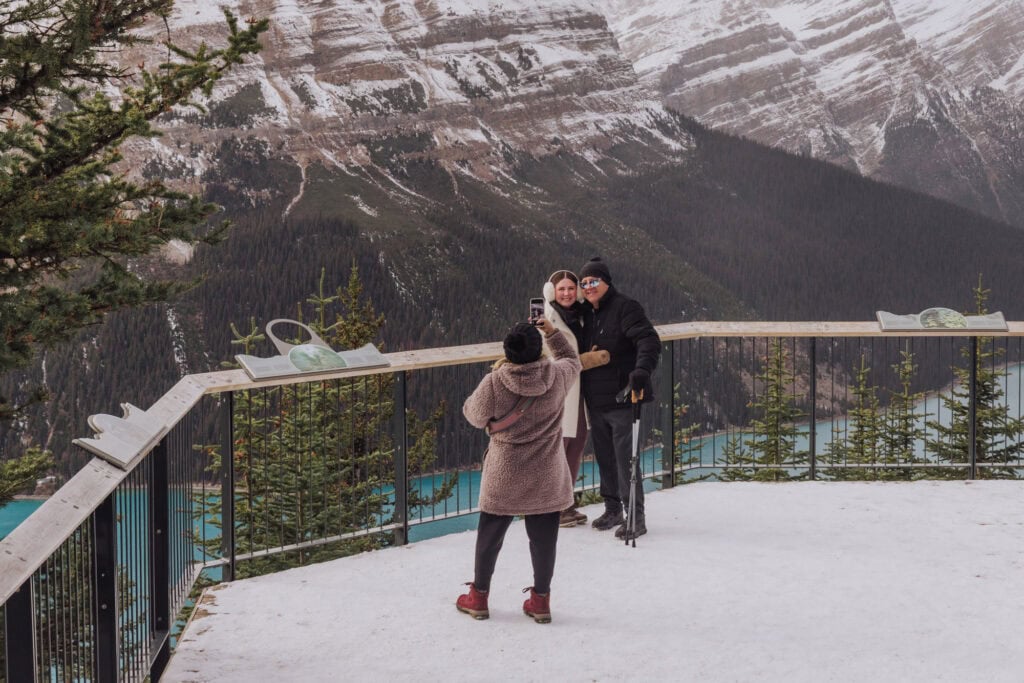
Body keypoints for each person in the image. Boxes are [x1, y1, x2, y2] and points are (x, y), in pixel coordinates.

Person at [456, 318, 581, 623]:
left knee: (490, 536)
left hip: (505, 472)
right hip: (546, 471)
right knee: (543, 540)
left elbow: (473, 416)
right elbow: (572, 360)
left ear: (507, 351)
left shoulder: (495, 382)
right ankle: (540, 601)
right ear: (540, 350)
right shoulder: (556, 375)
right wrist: (552, 331)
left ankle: (479, 598)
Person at [577, 256, 661, 540]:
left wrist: (641, 370)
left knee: (626, 460)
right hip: (595, 400)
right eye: (584, 282)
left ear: (606, 282)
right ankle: (613, 509)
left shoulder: (625, 307)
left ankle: (635, 517)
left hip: (624, 397)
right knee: (605, 458)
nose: (588, 287)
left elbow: (648, 340)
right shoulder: (587, 313)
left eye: (594, 281)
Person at [542, 269, 610, 528]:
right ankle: (555, 506)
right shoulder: (546, 319)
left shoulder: (583, 316)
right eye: (562, 289)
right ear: (552, 292)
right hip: (559, 390)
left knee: (577, 443)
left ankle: (566, 502)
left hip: (580, 391)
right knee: (559, 446)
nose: (568, 293)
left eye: (571, 288)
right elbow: (547, 356)